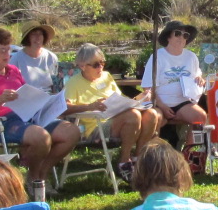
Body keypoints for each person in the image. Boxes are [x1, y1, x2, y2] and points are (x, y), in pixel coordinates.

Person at [0, 27, 79, 202]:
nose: (7, 54)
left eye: (9, 49)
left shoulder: (13, 71)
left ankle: (40, 173)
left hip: (27, 115)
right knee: (41, 137)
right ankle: (35, 179)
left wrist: (46, 101)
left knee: (71, 131)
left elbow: (26, 94)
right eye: (2, 50)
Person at [65, 43, 160, 182]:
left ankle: (138, 159)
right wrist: (90, 106)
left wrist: (139, 99)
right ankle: (124, 162)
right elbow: (66, 107)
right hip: (95, 127)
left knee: (151, 114)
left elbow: (119, 99)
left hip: (115, 118)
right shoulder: (73, 83)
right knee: (133, 115)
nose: (101, 67)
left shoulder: (106, 76)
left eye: (102, 62)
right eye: (96, 64)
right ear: (82, 66)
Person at [140, 22, 206, 135]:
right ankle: (151, 150)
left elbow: (197, 74)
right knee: (155, 119)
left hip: (183, 102)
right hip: (159, 103)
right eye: (177, 33)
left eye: (185, 35)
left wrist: (200, 78)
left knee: (201, 116)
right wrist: (162, 106)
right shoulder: (157, 56)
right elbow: (147, 88)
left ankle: (190, 151)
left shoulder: (191, 57)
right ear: (168, 37)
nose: (181, 38)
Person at [12, 24, 59, 90]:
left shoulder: (51, 57)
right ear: (27, 38)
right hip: (26, 97)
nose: (38, 37)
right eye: (33, 34)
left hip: (48, 97)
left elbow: (56, 82)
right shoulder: (15, 59)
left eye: (40, 34)